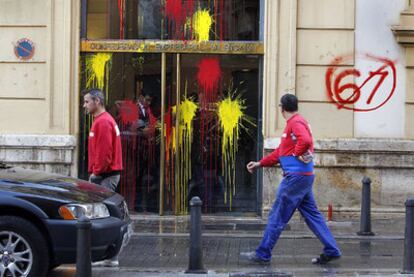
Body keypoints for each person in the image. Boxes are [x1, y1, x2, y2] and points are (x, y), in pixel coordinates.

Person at [240, 93, 341, 265]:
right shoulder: (295, 124)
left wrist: (296, 154)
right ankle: (331, 249)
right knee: (313, 215)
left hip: (295, 179)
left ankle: (263, 253)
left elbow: (306, 141)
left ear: (282, 108)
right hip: (303, 177)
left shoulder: (295, 122)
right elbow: (280, 153)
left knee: (277, 215)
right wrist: (259, 163)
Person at [83, 88, 123, 267]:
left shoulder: (103, 122)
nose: (84, 105)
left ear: (97, 101)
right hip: (105, 175)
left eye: (86, 101)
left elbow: (104, 152)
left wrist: (96, 173)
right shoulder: (103, 121)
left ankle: (109, 256)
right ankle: (108, 255)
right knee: (104, 215)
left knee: (103, 217)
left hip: (105, 176)